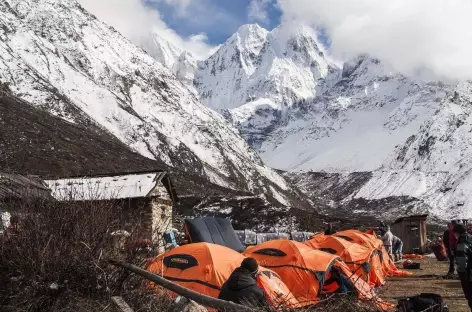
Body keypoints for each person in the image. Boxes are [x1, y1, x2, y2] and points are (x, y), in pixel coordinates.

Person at [454, 223, 472, 311]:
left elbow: (461, 258)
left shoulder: (462, 241)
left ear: (457, 232)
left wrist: (461, 272)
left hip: (468, 273)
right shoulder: (470, 237)